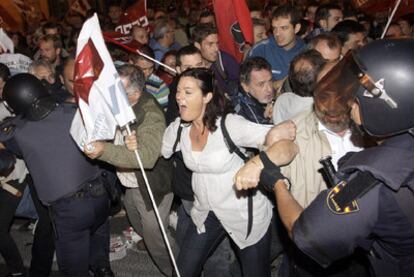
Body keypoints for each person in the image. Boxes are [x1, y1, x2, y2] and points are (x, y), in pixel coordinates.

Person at [235, 39, 414, 277]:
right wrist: (264, 156)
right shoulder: (296, 127)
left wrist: (277, 183)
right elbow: (283, 149)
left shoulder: (371, 181)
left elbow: (304, 232)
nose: (345, 101)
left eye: (354, 97)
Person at [145, 68, 295, 276]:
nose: (179, 97)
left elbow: (281, 138)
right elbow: (157, 150)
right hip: (206, 212)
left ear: (207, 96)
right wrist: (135, 142)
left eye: (188, 92)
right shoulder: (180, 128)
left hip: (244, 214)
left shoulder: (229, 124)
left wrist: (268, 145)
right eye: (178, 91)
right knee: (182, 271)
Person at [0, 74, 114, 277]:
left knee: (73, 269)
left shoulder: (19, 132)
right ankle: (102, 269)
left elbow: (8, 135)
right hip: (101, 196)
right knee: (99, 253)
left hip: (70, 211)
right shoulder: (73, 112)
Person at [83, 64, 175, 276]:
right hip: (130, 183)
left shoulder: (150, 114)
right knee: (134, 218)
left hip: (151, 183)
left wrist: (104, 150)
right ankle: (154, 243)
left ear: (135, 93)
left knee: (155, 235)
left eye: (118, 91)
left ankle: (177, 269)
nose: (111, 95)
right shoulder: (120, 106)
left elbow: (147, 158)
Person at [249, 4, 305, 81]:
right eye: (274, 28)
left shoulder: (307, 51)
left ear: (297, 28)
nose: (277, 33)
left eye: (284, 28)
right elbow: (249, 84)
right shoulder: (261, 49)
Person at [231, 57, 274, 124]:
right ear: (245, 87)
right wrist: (267, 119)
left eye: (270, 81)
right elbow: (264, 133)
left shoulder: (243, 93)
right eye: (261, 84)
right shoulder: (247, 113)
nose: (270, 89)